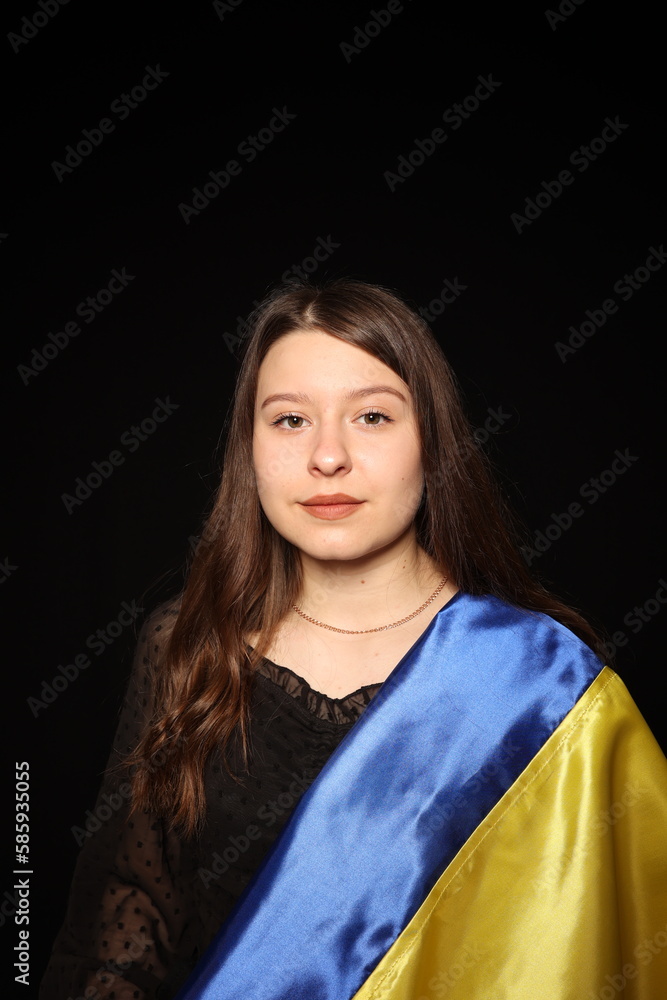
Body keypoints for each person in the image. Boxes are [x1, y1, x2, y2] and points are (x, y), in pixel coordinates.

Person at [40, 278, 667, 1000]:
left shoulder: (540, 682)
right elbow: (131, 923)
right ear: (248, 448)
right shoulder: (186, 646)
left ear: (431, 441)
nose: (327, 458)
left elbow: (605, 942)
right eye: (288, 421)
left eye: (371, 417)